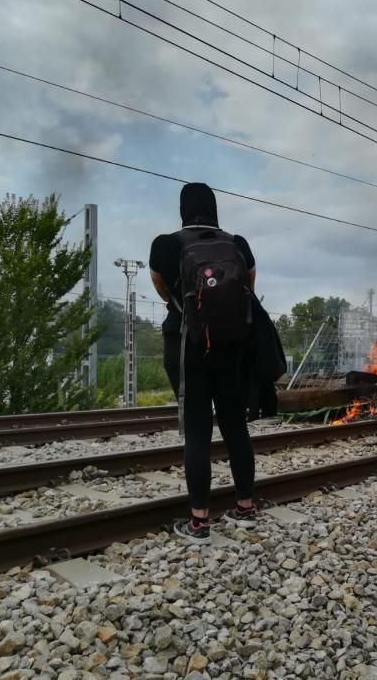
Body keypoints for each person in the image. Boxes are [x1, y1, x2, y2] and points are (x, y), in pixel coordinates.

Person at [149, 183, 257, 544]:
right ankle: (245, 508)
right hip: (231, 346)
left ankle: (199, 523)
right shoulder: (237, 244)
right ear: (213, 208)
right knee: (235, 426)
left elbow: (160, 285)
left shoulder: (165, 244)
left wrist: (185, 306)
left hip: (186, 345)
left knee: (197, 431)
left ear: (183, 209)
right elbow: (249, 287)